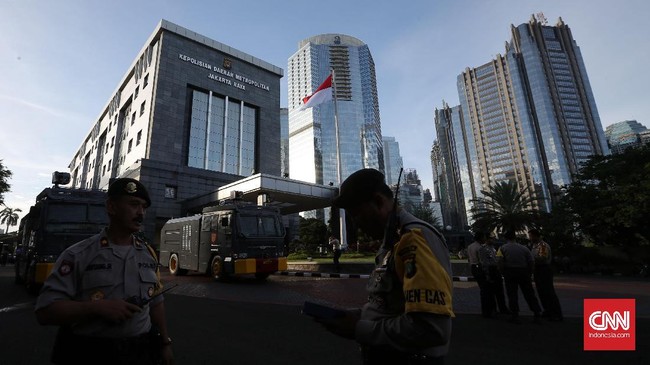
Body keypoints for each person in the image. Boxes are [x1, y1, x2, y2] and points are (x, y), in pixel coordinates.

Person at [318, 169, 453, 364]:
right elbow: (390, 305)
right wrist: (361, 315)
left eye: (357, 214)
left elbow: (431, 328)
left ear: (379, 201)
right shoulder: (391, 241)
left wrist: (359, 328)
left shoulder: (414, 239)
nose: (356, 223)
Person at [35, 178, 174, 364]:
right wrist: (96, 308)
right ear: (111, 207)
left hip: (141, 352)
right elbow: (45, 311)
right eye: (133, 205)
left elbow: (156, 302)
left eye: (143, 207)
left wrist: (165, 344)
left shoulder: (148, 254)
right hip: (89, 353)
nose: (141, 213)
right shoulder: (78, 254)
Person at [496, 231, 542, 324]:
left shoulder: (502, 248)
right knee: (529, 293)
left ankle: (515, 315)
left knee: (512, 294)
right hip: (523, 272)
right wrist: (530, 272)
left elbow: (499, 261)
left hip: (510, 272)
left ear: (505, 238)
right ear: (515, 238)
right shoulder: (524, 248)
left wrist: (502, 272)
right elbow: (531, 261)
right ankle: (536, 313)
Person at [529, 229, 563, 321]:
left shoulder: (543, 245)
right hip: (538, 269)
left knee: (548, 291)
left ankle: (556, 314)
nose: (530, 238)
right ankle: (547, 310)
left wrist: (531, 259)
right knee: (541, 292)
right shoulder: (534, 246)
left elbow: (543, 258)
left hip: (544, 269)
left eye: (531, 236)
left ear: (536, 236)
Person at [478, 235, 510, 317]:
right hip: (490, 271)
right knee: (490, 293)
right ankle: (493, 310)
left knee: (500, 292)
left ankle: (503, 308)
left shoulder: (494, 248)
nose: (492, 240)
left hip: (496, 271)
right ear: (486, 239)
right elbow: (484, 263)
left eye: (493, 238)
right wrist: (487, 275)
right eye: (490, 238)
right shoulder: (482, 249)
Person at [467, 232, 490, 317]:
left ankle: (486, 311)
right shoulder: (480, 248)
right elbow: (482, 262)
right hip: (480, 268)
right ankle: (487, 311)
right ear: (480, 238)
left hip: (473, 268)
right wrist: (487, 274)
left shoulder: (470, 246)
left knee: (483, 289)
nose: (485, 239)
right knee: (486, 291)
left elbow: (469, 259)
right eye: (484, 237)